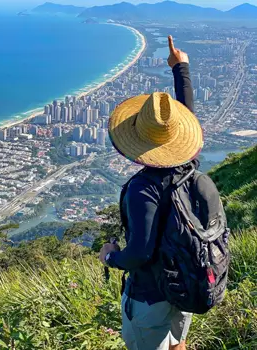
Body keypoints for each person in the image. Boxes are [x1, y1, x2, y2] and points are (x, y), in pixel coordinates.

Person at [99, 36, 202, 350]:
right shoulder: (189, 167)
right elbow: (184, 115)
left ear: (135, 139)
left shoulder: (143, 188)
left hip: (150, 293)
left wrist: (111, 257)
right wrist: (180, 68)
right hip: (185, 281)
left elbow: (140, 254)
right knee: (177, 343)